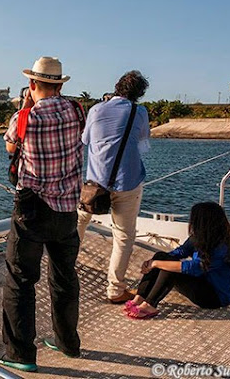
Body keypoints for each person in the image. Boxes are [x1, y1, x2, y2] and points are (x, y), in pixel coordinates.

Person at [0, 56, 84, 372]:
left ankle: (19, 353)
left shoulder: (23, 117)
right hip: (67, 209)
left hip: (32, 209)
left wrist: (25, 108)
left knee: (20, 280)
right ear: (59, 86)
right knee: (65, 276)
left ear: (33, 84)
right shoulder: (76, 111)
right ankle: (67, 342)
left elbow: (10, 148)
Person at [77, 70, 150, 304]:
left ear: (116, 87)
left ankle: (63, 272)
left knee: (78, 224)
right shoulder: (139, 112)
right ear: (139, 94)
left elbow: (85, 140)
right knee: (123, 236)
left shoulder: (96, 110)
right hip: (128, 183)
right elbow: (143, 144)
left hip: (94, 184)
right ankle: (115, 290)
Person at [126, 202, 230, 319]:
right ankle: (139, 298)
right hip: (199, 283)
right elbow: (181, 251)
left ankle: (149, 305)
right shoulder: (199, 237)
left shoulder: (222, 247)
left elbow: (195, 267)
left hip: (214, 297)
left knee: (170, 268)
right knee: (161, 256)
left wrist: (156, 264)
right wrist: (154, 261)